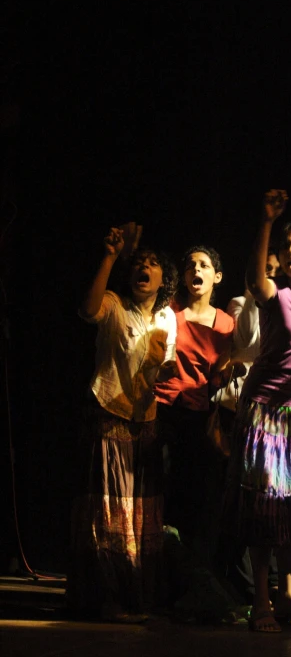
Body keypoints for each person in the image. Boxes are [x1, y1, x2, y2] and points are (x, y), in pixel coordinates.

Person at [222, 190, 291, 633]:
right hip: (266, 411)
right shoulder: (275, 293)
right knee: (265, 506)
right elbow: (254, 277)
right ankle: (262, 602)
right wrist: (267, 222)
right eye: (285, 246)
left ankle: (288, 597)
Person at [68, 226, 178, 623]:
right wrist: (112, 256)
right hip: (108, 413)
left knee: (139, 514)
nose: (143, 268)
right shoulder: (114, 303)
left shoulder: (166, 316)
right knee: (110, 509)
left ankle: (138, 597)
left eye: (152, 265)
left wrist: (167, 372)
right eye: (139, 264)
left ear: (165, 279)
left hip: (143, 420)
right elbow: (87, 310)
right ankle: (106, 597)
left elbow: (165, 365)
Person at [154, 245, 234, 561]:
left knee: (192, 494)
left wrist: (228, 370)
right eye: (189, 265)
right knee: (158, 487)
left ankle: (187, 568)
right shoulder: (169, 312)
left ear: (217, 277)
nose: (195, 270)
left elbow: (220, 377)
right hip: (162, 408)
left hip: (198, 416)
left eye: (202, 265)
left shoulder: (227, 324)